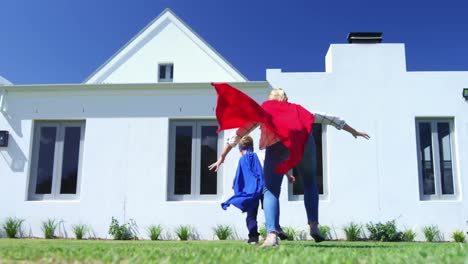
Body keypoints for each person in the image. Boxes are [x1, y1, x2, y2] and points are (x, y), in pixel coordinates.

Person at [209, 84, 370, 247]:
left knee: (270, 189)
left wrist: (222, 156)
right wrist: (353, 131)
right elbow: (331, 118)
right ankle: (314, 226)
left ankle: (272, 236)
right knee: (309, 182)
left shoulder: (264, 111)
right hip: (303, 145)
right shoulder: (298, 110)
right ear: (285, 98)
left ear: (270, 99)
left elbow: (238, 134)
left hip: (276, 148)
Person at [221, 136, 263, 244]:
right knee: (269, 211)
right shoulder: (260, 156)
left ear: (240, 148)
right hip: (262, 189)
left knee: (251, 215)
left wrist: (236, 187)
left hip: (249, 192)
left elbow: (237, 179)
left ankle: (253, 238)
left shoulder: (240, 161)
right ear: (252, 146)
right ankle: (273, 233)